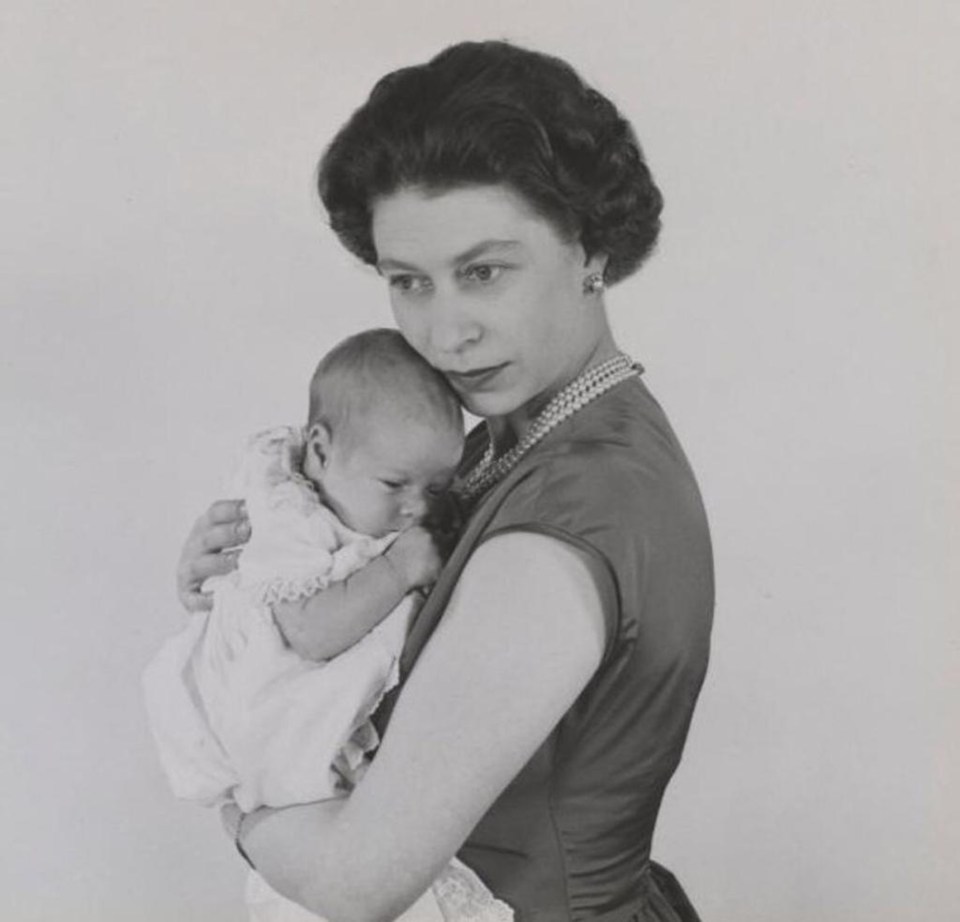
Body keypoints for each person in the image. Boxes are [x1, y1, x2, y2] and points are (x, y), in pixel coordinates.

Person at [176, 40, 714, 922]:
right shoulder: (526, 442)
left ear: (591, 247)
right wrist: (253, 580)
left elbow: (359, 882)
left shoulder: (565, 523)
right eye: (409, 282)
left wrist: (235, 797)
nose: (444, 332)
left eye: (484, 272)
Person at [145, 329, 513, 922]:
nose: (416, 507)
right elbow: (311, 632)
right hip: (277, 729)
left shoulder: (368, 489)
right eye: (395, 485)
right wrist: (398, 568)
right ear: (318, 449)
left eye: (436, 489)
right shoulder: (288, 516)